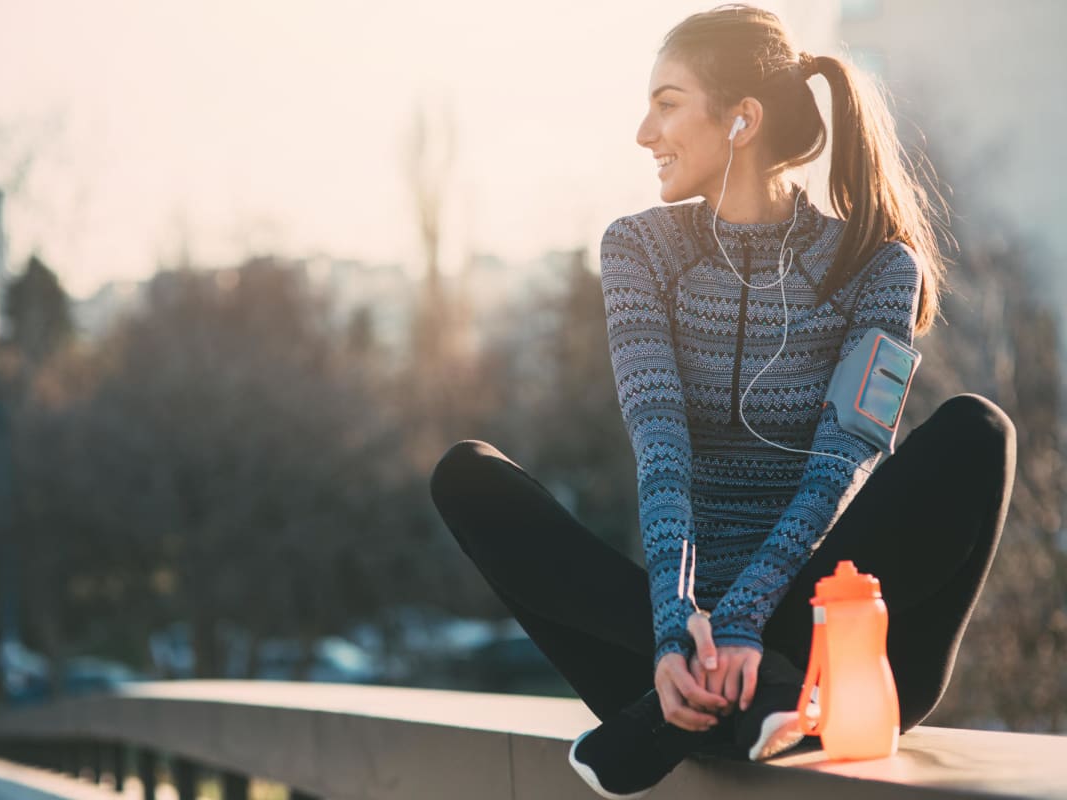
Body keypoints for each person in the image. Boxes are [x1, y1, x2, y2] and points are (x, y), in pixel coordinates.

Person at [428, 4, 1016, 798]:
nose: (644, 132)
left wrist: (745, 624)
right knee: (468, 477)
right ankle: (751, 697)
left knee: (977, 431)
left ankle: (745, 689)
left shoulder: (875, 265)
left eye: (666, 103)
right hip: (667, 657)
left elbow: (839, 467)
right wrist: (679, 633)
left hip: (840, 656)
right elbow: (661, 452)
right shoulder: (639, 251)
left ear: (742, 120)